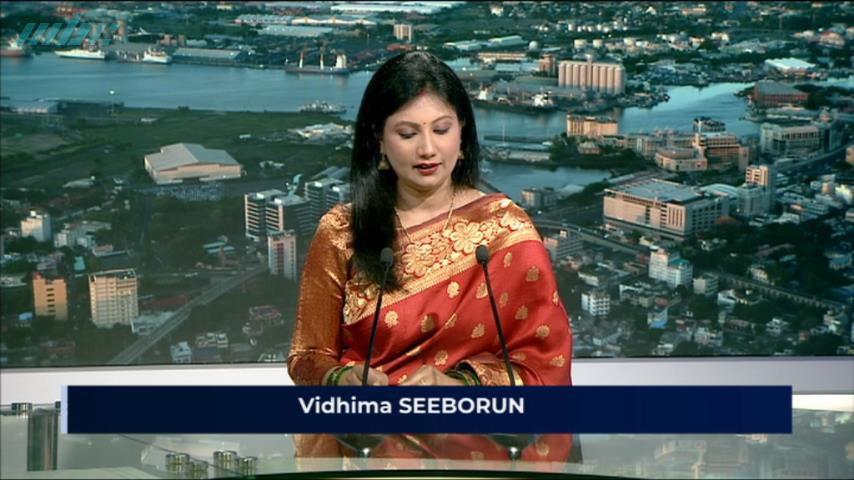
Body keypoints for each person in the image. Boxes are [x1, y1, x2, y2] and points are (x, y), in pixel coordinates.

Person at [287, 51, 572, 387]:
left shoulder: (504, 229)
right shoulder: (342, 231)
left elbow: (545, 365)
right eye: (408, 134)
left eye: (441, 130)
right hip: (369, 418)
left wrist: (461, 387)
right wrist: (340, 377)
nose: (427, 149)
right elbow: (306, 356)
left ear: (461, 134)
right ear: (380, 141)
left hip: (469, 420)